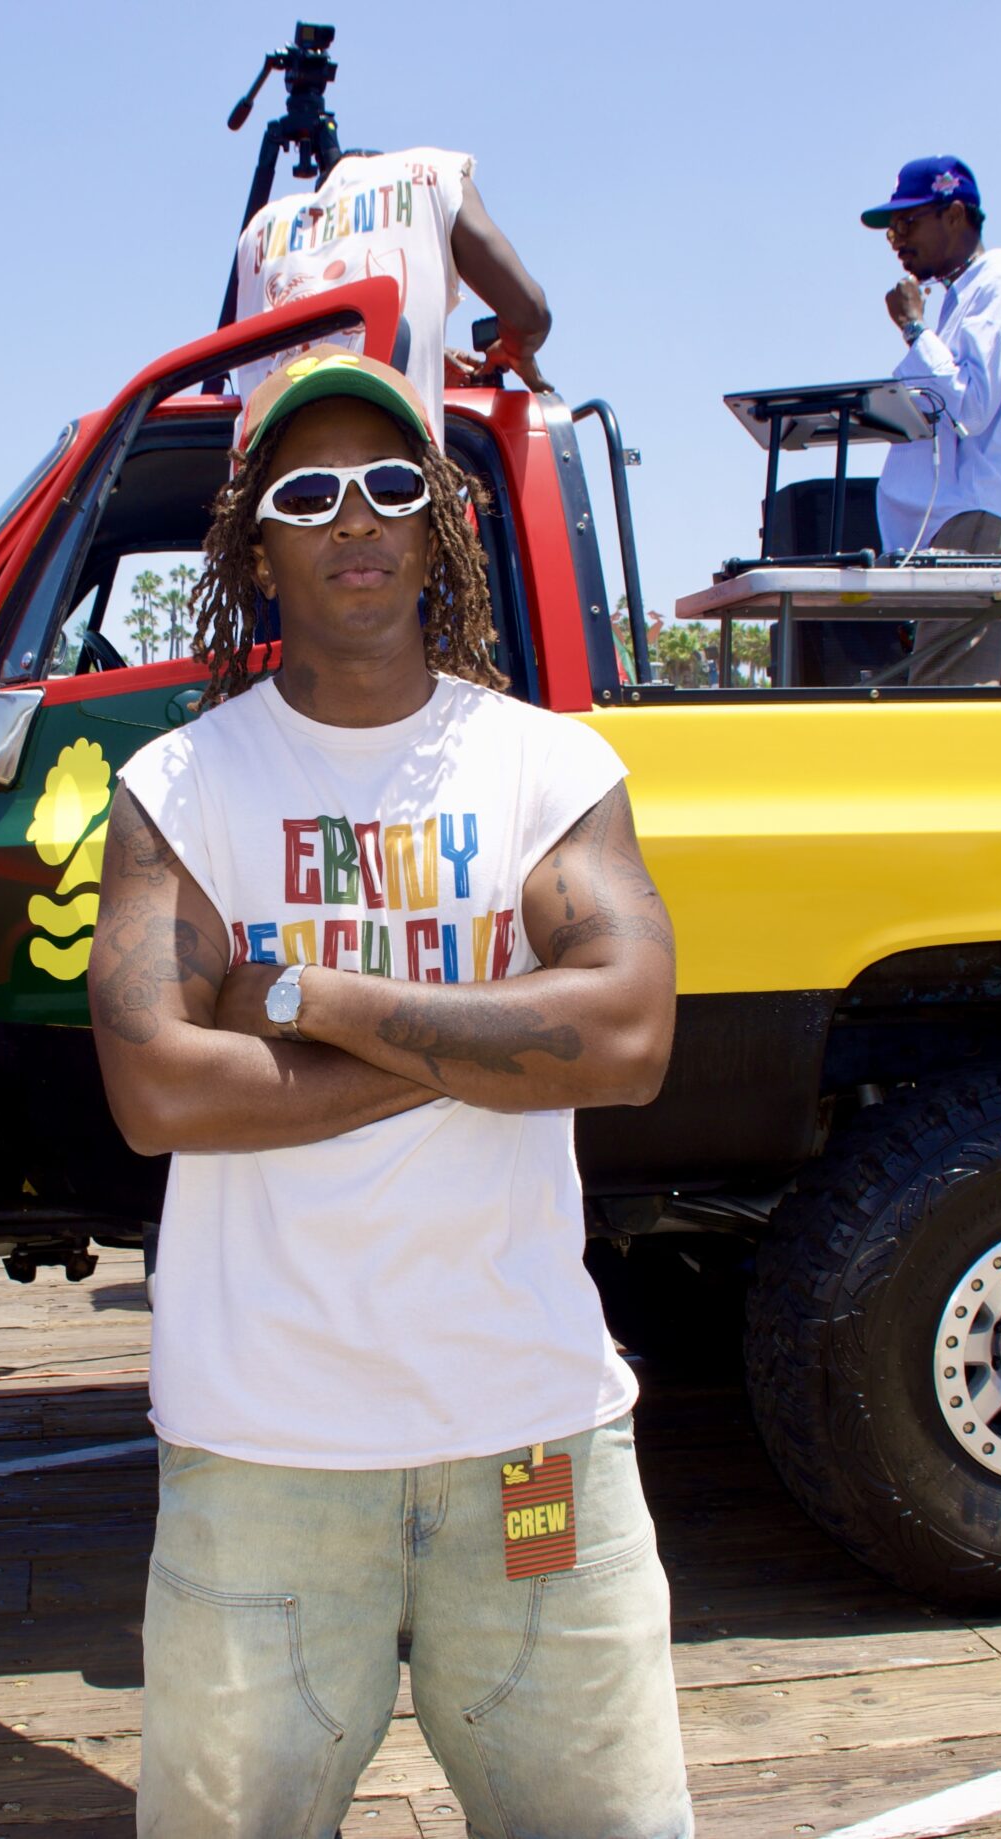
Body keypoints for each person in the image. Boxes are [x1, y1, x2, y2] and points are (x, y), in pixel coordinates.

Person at [89, 351, 689, 1836]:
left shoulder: (553, 766)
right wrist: (483, 1043)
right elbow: (160, 1085)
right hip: (265, 1458)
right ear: (256, 541)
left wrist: (305, 998)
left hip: (532, 1436)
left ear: (438, 526)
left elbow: (623, 1036)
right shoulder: (182, 785)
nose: (354, 517)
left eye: (392, 485)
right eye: (309, 491)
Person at [864, 156, 1001, 682]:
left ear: (954, 215)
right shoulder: (966, 295)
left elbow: (971, 406)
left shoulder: (998, 286)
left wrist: (913, 329)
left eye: (908, 222)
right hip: (975, 520)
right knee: (980, 702)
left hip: (980, 521)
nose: (897, 239)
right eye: (891, 231)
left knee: (945, 701)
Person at [232, 148, 553, 450]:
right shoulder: (431, 177)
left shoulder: (255, 231)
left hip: (269, 495)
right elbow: (529, 314)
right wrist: (514, 350)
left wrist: (424, 352)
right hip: (387, 488)